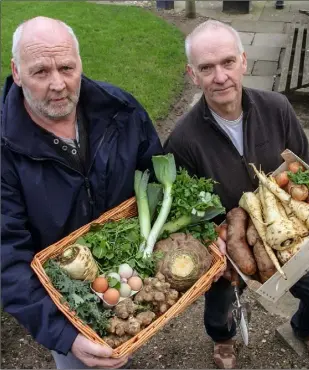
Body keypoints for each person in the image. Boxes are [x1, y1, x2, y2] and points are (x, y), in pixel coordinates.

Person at [1, 16, 163, 369]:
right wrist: (64, 335)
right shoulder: (5, 148)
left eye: (67, 67)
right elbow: (6, 252)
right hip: (67, 305)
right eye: (40, 71)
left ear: (80, 63)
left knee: (125, 352)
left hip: (128, 277)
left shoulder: (122, 110)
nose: (58, 84)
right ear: (16, 71)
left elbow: (156, 179)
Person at [164, 20, 309, 369]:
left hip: (288, 234)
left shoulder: (277, 108)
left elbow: (303, 166)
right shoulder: (183, 141)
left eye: (228, 62)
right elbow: (181, 211)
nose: (220, 76)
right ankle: (223, 340)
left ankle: (307, 326)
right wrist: (212, 241)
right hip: (228, 246)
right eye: (207, 67)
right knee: (220, 305)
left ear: (244, 62)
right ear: (193, 75)